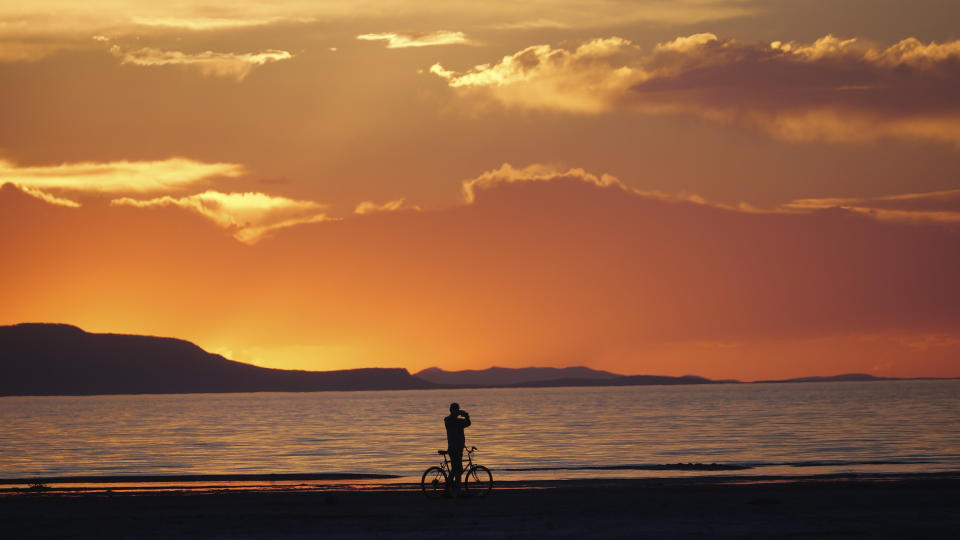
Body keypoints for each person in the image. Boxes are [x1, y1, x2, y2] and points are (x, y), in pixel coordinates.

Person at [444, 402, 471, 491]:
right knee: (458, 470)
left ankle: (450, 488)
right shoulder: (450, 420)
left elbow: (468, 423)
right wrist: (462, 414)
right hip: (454, 448)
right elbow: (467, 422)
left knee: (455, 469)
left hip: (456, 448)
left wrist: (464, 414)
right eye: (456, 410)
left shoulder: (455, 421)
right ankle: (457, 490)